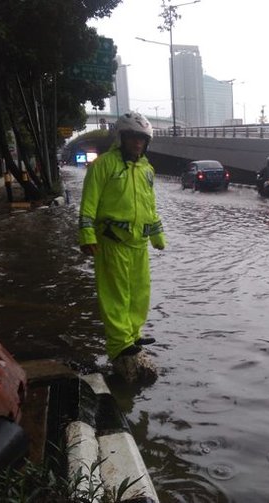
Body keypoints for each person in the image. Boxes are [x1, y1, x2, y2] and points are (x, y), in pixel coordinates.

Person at [78, 111, 166, 365]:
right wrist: (86, 235)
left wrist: (157, 235)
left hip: (138, 244)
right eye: (133, 138)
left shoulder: (147, 169)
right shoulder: (104, 165)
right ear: (122, 138)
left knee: (139, 293)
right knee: (115, 295)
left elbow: (150, 206)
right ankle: (119, 344)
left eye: (142, 139)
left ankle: (133, 335)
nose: (137, 143)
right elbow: (88, 204)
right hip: (111, 241)